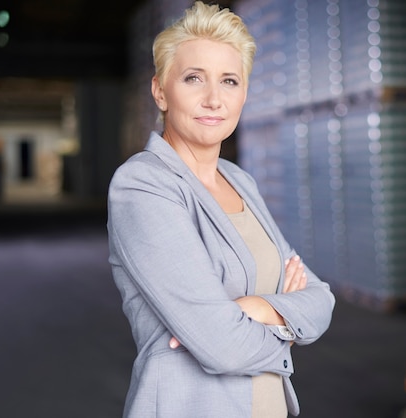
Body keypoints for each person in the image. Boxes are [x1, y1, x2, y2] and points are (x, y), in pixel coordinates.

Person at [106, 2, 335, 417]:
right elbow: (222, 346)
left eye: (229, 81)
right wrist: (286, 316)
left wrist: (255, 309)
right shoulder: (142, 185)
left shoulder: (239, 180)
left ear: (244, 94)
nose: (214, 99)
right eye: (194, 78)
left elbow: (321, 298)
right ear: (160, 91)